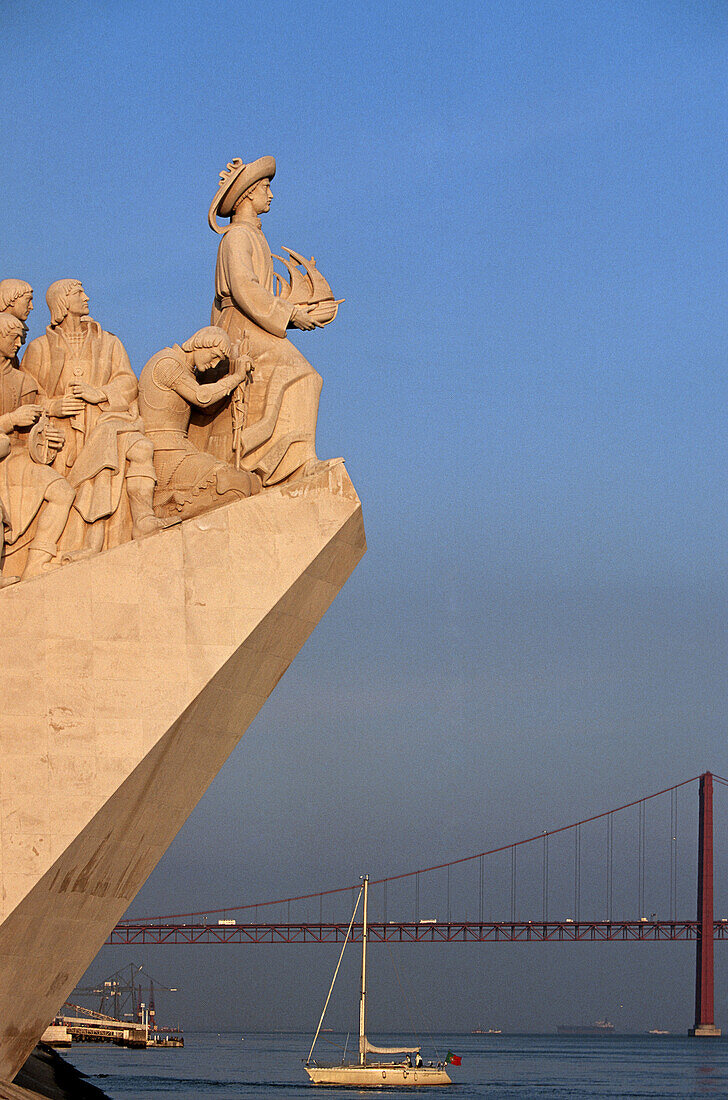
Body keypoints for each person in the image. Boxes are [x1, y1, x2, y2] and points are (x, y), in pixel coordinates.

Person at [194, 155, 338, 486]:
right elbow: (244, 288)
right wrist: (290, 314)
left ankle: (290, 460)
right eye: (265, 188)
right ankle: (293, 464)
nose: (270, 195)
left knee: (303, 376)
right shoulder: (236, 237)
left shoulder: (254, 236)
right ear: (247, 194)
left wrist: (298, 307)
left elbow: (259, 291)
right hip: (240, 327)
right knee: (301, 375)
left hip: (254, 323)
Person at [21, 279, 162, 556]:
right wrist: (54, 406)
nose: (86, 297)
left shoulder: (109, 342)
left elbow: (127, 382)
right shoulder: (39, 349)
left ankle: (142, 520)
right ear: (62, 302)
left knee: (137, 449)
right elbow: (28, 397)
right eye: (78, 293)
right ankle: (82, 544)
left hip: (106, 423)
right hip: (63, 436)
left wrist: (100, 393)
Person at [138, 326, 261, 520]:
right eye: (213, 356)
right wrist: (236, 377)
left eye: (218, 361)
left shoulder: (186, 371)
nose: (213, 365)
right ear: (201, 344)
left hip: (181, 451)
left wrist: (231, 378)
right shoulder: (167, 363)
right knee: (236, 483)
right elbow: (202, 397)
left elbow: (207, 407)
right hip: (166, 455)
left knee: (252, 483)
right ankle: (169, 513)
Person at [0, 313, 75, 580]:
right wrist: (11, 420)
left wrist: (50, 436)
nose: (19, 342)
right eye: (13, 337)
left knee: (62, 491)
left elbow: (40, 420)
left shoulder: (24, 381)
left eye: (22, 337)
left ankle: (36, 563)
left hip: (20, 458)